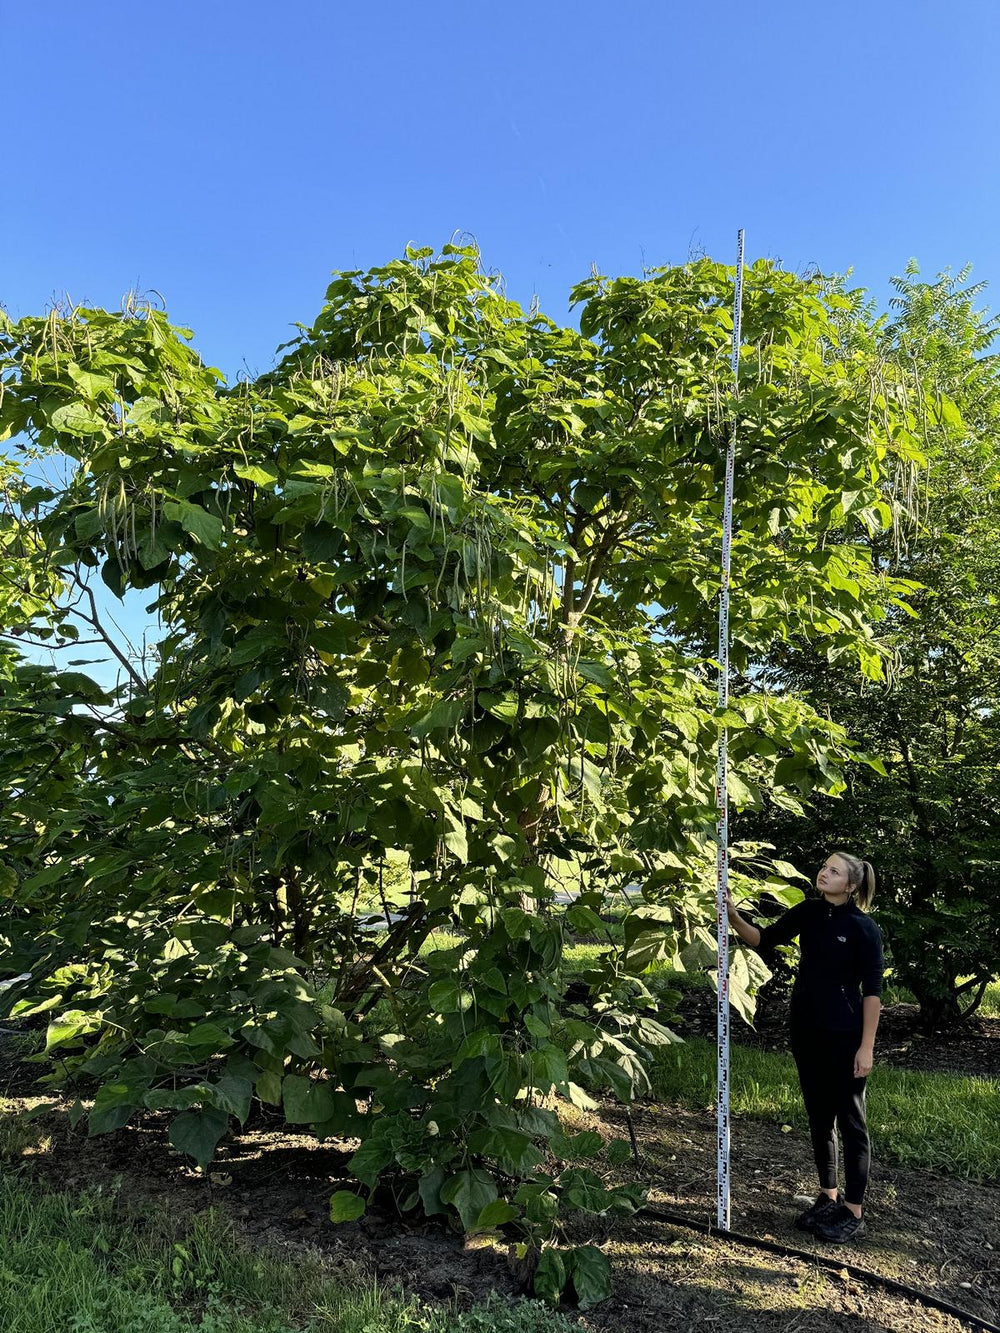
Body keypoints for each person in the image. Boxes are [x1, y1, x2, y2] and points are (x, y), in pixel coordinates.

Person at [726, 852, 882, 1243]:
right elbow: (764, 938)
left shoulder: (864, 928)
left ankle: (854, 1209)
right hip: (806, 1031)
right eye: (824, 867)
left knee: (851, 1121)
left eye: (834, 871)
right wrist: (730, 914)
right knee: (818, 1116)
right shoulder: (809, 911)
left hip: (844, 1036)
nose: (823, 873)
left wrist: (866, 1047)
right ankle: (829, 1196)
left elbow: (873, 994)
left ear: (850, 885)